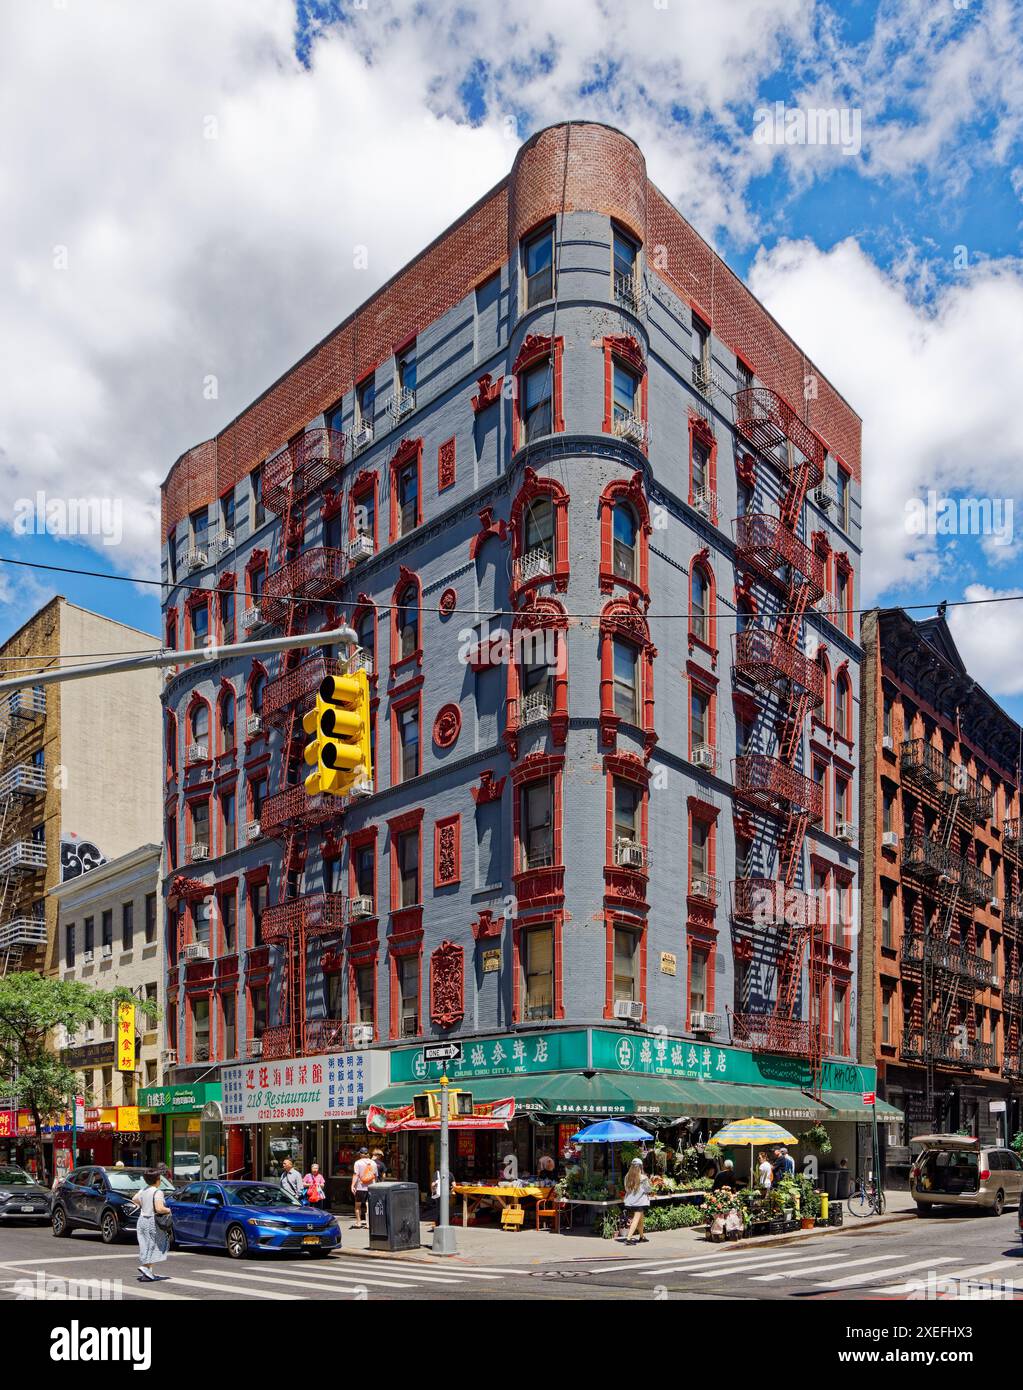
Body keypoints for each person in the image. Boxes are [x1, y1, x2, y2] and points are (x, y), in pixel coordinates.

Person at [131, 1169, 171, 1283]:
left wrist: (144, 1204)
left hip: (142, 1220)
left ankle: (147, 1273)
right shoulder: (157, 1192)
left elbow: (134, 1199)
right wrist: (169, 1210)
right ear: (157, 1180)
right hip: (152, 1221)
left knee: (145, 1245)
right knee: (154, 1245)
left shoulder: (143, 1190)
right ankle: (145, 1268)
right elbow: (159, 1209)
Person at [619, 1157, 652, 1245]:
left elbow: (626, 1189)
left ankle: (641, 1236)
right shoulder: (643, 1177)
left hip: (630, 1201)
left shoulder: (627, 1177)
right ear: (641, 1167)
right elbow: (648, 1190)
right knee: (636, 1219)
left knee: (641, 1219)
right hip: (640, 1202)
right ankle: (628, 1238)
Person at [351, 1147, 376, 1228]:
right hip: (371, 1186)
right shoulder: (373, 1163)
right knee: (368, 1205)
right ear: (367, 1154)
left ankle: (358, 1222)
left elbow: (356, 1174)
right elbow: (375, 1175)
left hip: (360, 1187)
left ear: (361, 1154)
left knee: (357, 1205)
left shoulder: (358, 1163)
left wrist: (352, 1185)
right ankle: (368, 1223)